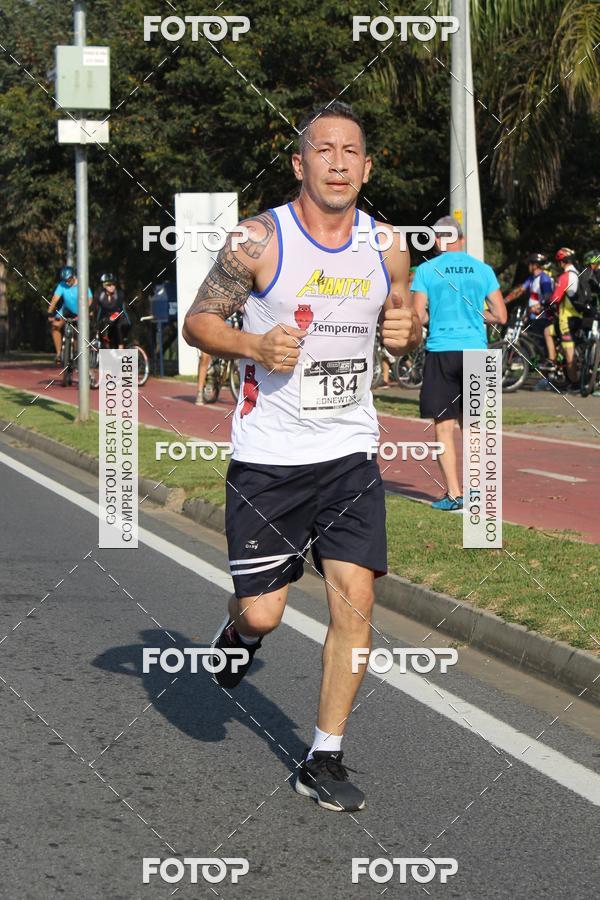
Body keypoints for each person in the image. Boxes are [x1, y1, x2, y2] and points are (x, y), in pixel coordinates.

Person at [182, 101, 421, 812]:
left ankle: (324, 755)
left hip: (349, 451)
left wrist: (406, 332)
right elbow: (199, 321)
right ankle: (235, 633)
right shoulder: (258, 240)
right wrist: (254, 345)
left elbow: (401, 323)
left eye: (352, 151)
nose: (340, 162)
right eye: (325, 150)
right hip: (269, 459)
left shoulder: (387, 245)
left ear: (367, 166)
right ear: (300, 163)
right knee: (264, 616)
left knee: (359, 599)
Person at [411, 216, 507, 511]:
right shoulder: (483, 270)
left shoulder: (426, 270)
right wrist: (479, 316)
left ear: (439, 241)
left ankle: (454, 494)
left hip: (442, 350)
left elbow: (419, 317)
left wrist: (433, 317)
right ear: (462, 240)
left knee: (444, 427)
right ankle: (477, 493)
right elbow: (500, 315)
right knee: (474, 427)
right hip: (476, 351)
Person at [543, 248, 582, 390]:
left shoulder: (565, 276)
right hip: (577, 317)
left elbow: (555, 298)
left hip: (566, 319)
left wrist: (546, 305)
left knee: (568, 350)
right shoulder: (577, 274)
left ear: (561, 262)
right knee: (548, 331)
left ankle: (575, 382)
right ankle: (553, 361)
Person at [47, 266, 92, 363]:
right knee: (55, 327)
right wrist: (50, 312)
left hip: (80, 311)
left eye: (69, 280)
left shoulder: (82, 285)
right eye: (65, 280)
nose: (67, 282)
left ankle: (76, 352)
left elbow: (89, 300)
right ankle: (59, 354)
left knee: (78, 333)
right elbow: (55, 299)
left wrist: (85, 312)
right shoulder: (62, 285)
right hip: (66, 311)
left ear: (73, 276)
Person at [505, 253, 553, 336]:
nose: (528, 266)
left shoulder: (544, 279)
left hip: (542, 318)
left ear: (535, 265)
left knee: (537, 345)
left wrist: (538, 307)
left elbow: (548, 298)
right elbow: (519, 291)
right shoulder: (532, 278)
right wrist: (504, 301)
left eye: (530, 264)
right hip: (531, 316)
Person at [94, 273, 130, 349]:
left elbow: (118, 309)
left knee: (118, 326)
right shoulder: (99, 295)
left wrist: (112, 317)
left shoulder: (119, 294)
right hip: (107, 321)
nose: (112, 286)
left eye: (113, 284)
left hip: (121, 319)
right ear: (104, 285)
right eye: (109, 284)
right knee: (102, 335)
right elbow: (93, 307)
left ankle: (121, 349)